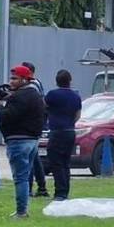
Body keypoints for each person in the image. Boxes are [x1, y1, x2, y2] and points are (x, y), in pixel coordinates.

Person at [0, 64, 46, 219]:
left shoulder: (19, 97)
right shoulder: (35, 95)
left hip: (19, 141)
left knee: (20, 178)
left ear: (24, 79)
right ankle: (23, 209)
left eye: (15, 79)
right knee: (25, 175)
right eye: (11, 78)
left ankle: (22, 211)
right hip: (32, 141)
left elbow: (8, 116)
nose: (11, 82)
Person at [44, 69, 83, 201]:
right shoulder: (76, 96)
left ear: (57, 81)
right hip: (70, 131)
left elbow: (44, 108)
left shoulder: (52, 95)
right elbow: (78, 115)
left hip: (56, 132)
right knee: (66, 162)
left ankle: (60, 193)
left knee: (56, 162)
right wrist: (70, 123)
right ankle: (65, 191)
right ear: (70, 81)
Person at [21, 61, 49, 198]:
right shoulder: (35, 84)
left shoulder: (33, 85)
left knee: (30, 158)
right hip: (35, 125)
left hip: (32, 127)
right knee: (34, 157)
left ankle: (30, 187)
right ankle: (41, 186)